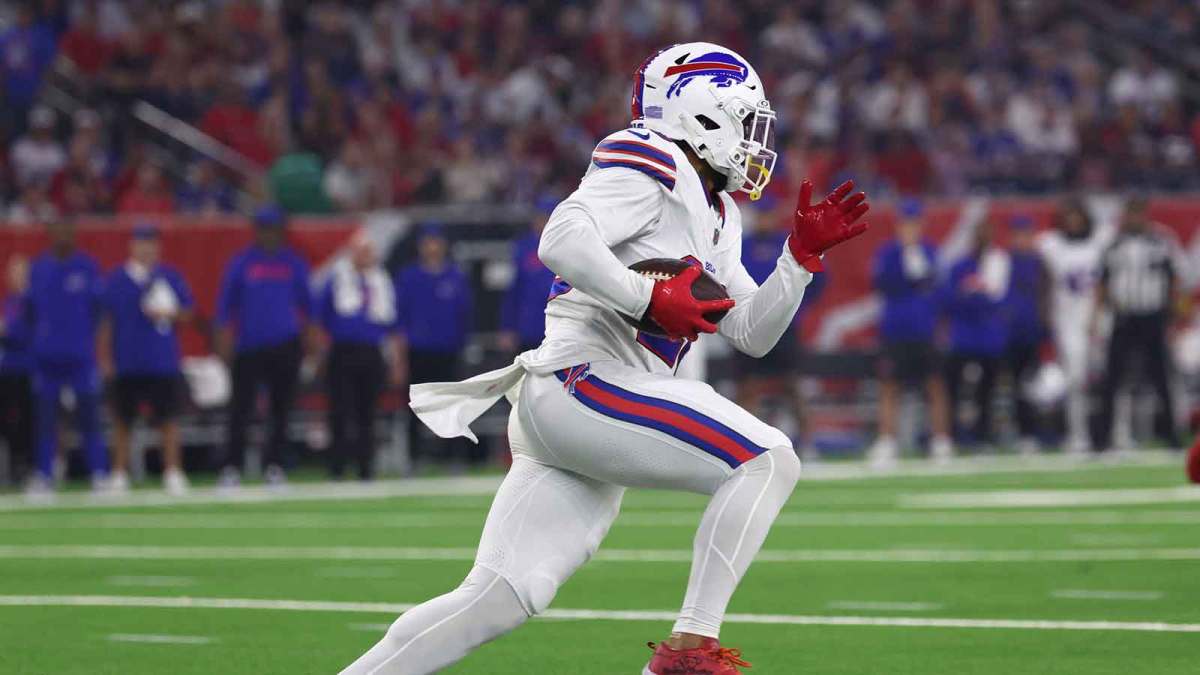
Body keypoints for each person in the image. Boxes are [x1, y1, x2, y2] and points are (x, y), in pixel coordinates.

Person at [342, 42, 869, 675]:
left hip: (587, 402)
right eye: (745, 118)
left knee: (499, 598)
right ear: (701, 113)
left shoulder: (718, 210)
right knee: (764, 458)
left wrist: (798, 261)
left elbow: (752, 332)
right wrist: (646, 298)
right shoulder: (653, 157)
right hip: (583, 380)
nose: (756, 140)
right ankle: (690, 646)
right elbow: (560, 239)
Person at [215, 205, 313, 487]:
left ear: (280, 231)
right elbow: (224, 308)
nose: (268, 234)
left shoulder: (293, 262)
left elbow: (308, 308)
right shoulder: (242, 262)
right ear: (256, 231)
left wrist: (310, 344)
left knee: (281, 410)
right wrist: (224, 344)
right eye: (263, 228)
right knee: (240, 409)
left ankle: (275, 466)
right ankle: (232, 467)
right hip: (248, 346)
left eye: (273, 228)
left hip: (286, 346)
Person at [100, 224, 193, 495]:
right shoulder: (117, 279)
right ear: (132, 246)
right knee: (122, 420)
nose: (147, 248)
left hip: (162, 360)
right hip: (127, 360)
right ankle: (119, 473)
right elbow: (106, 322)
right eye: (142, 242)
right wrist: (105, 358)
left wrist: (168, 313)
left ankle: (172, 471)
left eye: (151, 242)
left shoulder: (170, 277)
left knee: (168, 419)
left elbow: (188, 314)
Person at [868, 198, 952, 466]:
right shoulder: (888, 253)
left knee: (935, 385)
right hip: (895, 330)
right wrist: (905, 256)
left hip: (924, 330)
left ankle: (941, 441)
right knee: (890, 387)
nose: (910, 228)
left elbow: (940, 289)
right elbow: (882, 283)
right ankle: (886, 441)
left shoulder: (931, 252)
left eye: (914, 223)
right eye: (906, 223)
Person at [734, 212, 826, 456]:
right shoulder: (743, 245)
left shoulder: (783, 244)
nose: (765, 219)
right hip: (749, 322)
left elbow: (815, 278)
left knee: (792, 385)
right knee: (748, 386)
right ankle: (742, 444)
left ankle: (807, 443)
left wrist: (797, 307)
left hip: (785, 328)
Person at [1095, 197, 1184, 451]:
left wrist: (1174, 312)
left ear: (1145, 215)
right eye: (1130, 214)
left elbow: (1175, 278)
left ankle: (1171, 435)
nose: (1134, 219)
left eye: (1138, 214)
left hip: (1152, 316)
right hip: (1123, 317)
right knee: (1112, 378)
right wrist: (1100, 314)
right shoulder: (1113, 244)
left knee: (1161, 377)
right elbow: (1103, 281)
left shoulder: (1162, 242)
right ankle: (1103, 438)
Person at [27, 219, 109, 493]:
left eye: (67, 231)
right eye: (57, 231)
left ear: (74, 234)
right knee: (46, 419)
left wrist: (95, 347)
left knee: (89, 417)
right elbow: (30, 313)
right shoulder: (39, 268)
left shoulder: (87, 267)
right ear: (50, 235)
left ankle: (98, 472)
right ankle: (44, 474)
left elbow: (101, 313)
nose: (63, 236)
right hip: (46, 359)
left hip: (80, 357)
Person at [1037, 197, 1116, 455]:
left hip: (1099, 317)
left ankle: (1115, 433)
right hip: (1068, 319)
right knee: (1075, 380)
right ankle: (1078, 434)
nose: (1073, 222)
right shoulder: (1052, 245)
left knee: (1110, 378)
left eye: (1077, 216)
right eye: (1068, 217)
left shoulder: (1101, 241)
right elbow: (1045, 281)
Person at [318, 233, 399, 480]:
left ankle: (366, 468)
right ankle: (338, 467)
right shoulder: (337, 279)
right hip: (343, 351)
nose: (365, 257)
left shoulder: (381, 281)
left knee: (368, 413)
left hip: (371, 352)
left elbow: (392, 324)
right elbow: (321, 319)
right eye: (360, 251)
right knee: (340, 412)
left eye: (368, 251)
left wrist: (395, 359)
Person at [394, 225, 474, 467]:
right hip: (418, 350)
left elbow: (465, 314)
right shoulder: (409, 277)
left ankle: (453, 456)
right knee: (416, 405)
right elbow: (399, 316)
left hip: (448, 349)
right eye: (428, 242)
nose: (432, 247)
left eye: (436, 241)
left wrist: (463, 345)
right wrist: (400, 352)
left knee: (451, 404)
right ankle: (414, 457)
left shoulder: (455, 276)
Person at [940, 219, 1010, 447]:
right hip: (964, 336)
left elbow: (998, 301)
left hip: (989, 336)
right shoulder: (960, 265)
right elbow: (951, 300)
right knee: (954, 388)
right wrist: (976, 296)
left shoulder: (998, 262)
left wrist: (973, 294)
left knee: (987, 391)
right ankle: (951, 434)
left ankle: (984, 436)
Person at [1004, 215, 1050, 453]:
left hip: (1032, 332)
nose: (1021, 239)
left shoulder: (1039, 263)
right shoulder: (1004, 261)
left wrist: (1045, 327)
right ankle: (1020, 432)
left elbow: (1046, 296)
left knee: (1032, 387)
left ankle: (1034, 432)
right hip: (1010, 333)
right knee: (1013, 385)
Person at [498, 206, 556, 354]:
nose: (543, 222)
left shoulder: (566, 246)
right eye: (541, 217)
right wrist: (507, 328)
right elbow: (512, 291)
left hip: (557, 327)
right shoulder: (523, 247)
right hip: (528, 327)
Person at [0, 255, 33, 483]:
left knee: (26, 420)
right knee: (8, 421)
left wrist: (7, 331)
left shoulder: (32, 302)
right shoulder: (8, 302)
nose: (16, 277)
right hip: (7, 371)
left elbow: (26, 333)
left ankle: (26, 466)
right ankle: (12, 466)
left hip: (27, 370)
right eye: (12, 273)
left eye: (20, 272)